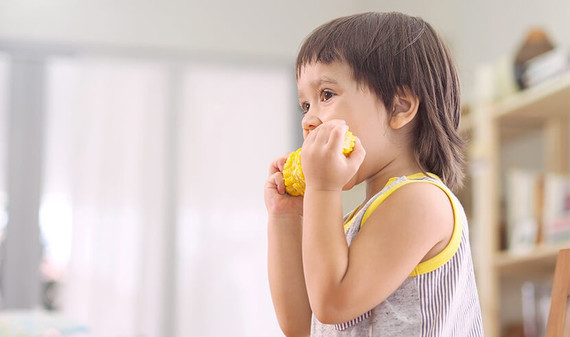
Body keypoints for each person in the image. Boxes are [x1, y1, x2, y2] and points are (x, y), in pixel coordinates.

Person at [264, 12, 484, 337]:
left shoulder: (421, 200)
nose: (308, 121)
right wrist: (284, 218)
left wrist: (324, 190)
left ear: (399, 106)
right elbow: (303, 325)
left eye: (326, 95)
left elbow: (333, 304)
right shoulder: (356, 222)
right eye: (305, 106)